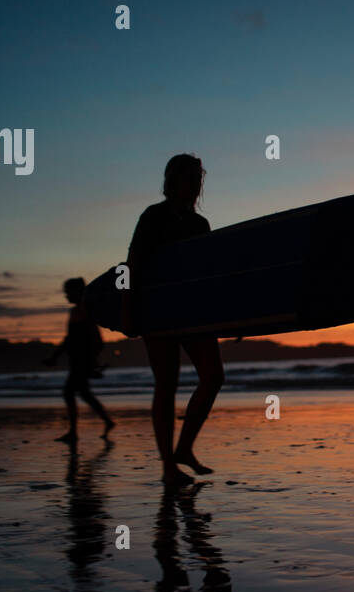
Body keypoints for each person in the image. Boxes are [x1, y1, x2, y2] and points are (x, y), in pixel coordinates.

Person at [124, 154, 224, 487]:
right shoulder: (153, 216)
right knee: (167, 386)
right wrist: (131, 310)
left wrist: (235, 316)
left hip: (194, 311)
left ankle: (184, 449)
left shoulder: (200, 225)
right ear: (172, 181)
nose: (195, 185)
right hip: (158, 311)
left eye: (199, 179)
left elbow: (210, 275)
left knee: (213, 376)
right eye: (189, 178)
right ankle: (168, 466)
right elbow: (134, 264)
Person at [45, 277, 115, 443]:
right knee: (84, 393)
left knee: (69, 392)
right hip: (76, 360)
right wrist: (54, 357)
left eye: (68, 293)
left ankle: (74, 432)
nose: (66, 296)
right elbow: (70, 339)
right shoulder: (77, 311)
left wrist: (91, 360)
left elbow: (96, 340)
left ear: (78, 292)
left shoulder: (84, 311)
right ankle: (107, 421)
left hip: (81, 361)